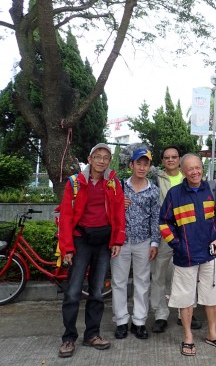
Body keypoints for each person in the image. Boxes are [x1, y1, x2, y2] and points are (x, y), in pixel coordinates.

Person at [57, 143, 126, 358]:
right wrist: (66, 247)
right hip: (80, 241)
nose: (102, 161)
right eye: (98, 156)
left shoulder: (113, 183)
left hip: (103, 243)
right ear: (89, 159)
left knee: (97, 291)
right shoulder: (75, 183)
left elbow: (118, 214)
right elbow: (66, 217)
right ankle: (69, 338)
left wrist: (117, 241)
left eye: (106, 157)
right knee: (73, 291)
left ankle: (92, 334)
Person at [159, 154, 216, 356]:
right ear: (182, 171)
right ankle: (188, 336)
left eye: (198, 167)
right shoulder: (174, 194)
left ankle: (212, 333)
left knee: (211, 296)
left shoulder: (213, 189)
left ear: (202, 168)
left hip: (210, 253)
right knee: (185, 299)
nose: (195, 172)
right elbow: (164, 222)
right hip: (185, 256)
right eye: (190, 168)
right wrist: (177, 244)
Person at [150, 145, 201, 333]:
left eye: (174, 157)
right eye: (166, 157)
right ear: (162, 161)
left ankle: (185, 313)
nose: (170, 160)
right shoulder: (156, 179)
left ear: (180, 159)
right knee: (159, 275)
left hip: (187, 234)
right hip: (164, 233)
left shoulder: (189, 177)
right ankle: (160, 315)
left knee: (188, 275)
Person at [111, 148, 160, 340]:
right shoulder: (119, 187)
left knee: (142, 283)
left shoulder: (153, 190)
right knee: (119, 282)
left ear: (149, 167)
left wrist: (154, 242)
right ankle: (121, 321)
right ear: (131, 165)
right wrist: (117, 204)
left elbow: (156, 218)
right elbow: (108, 210)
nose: (141, 167)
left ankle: (139, 322)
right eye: (138, 163)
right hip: (120, 242)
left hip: (144, 242)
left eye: (145, 164)